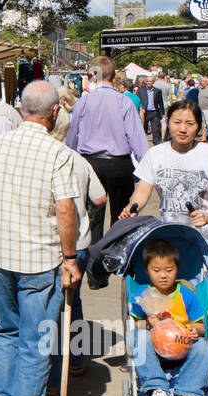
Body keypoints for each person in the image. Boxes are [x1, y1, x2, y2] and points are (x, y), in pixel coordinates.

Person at [0, 80, 81, 396]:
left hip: (0, 256)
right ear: (54, 113)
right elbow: (66, 208)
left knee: (6, 331)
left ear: (21, 109)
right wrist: (70, 258)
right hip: (39, 260)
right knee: (36, 341)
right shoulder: (58, 152)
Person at [64, 56, 150, 289]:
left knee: (93, 220)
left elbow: (71, 139)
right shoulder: (124, 102)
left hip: (91, 164)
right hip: (120, 164)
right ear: (114, 77)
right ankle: (120, 263)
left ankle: (95, 272)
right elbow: (137, 139)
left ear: (93, 76)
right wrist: (148, 168)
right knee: (121, 217)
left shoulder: (83, 102)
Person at [48, 90, 108, 387]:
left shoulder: (45, 157)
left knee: (57, 306)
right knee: (73, 300)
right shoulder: (79, 160)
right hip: (80, 243)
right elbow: (100, 198)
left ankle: (57, 372)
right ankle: (79, 357)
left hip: (56, 244)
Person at [122, 100, 208, 237]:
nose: (182, 129)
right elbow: (142, 190)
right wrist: (132, 208)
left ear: (199, 126)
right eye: (177, 122)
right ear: (168, 123)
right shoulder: (154, 154)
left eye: (190, 124)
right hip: (173, 235)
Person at [126, 238, 208, 396]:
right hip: (156, 350)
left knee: (205, 347)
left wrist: (196, 331)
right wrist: (149, 323)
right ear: (147, 271)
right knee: (137, 337)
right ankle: (157, 389)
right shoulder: (144, 295)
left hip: (183, 347)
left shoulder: (186, 295)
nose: (163, 275)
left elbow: (199, 325)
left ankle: (187, 393)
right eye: (156, 271)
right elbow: (136, 324)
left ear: (177, 270)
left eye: (169, 270)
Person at [136, 75, 166, 146]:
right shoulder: (140, 90)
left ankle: (156, 144)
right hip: (144, 113)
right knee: (143, 129)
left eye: (151, 81)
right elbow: (137, 101)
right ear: (146, 82)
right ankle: (142, 144)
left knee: (156, 129)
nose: (149, 83)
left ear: (153, 82)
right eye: (148, 81)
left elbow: (160, 102)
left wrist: (162, 113)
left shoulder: (157, 91)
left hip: (154, 112)